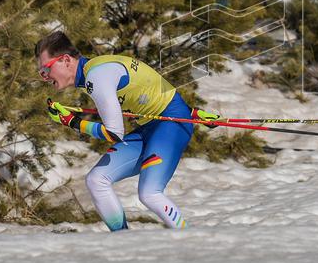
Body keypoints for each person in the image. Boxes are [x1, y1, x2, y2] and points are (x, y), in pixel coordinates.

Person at [35, 31, 217, 231]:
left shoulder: (96, 76)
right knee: (96, 180)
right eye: (41, 73)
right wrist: (191, 111)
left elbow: (114, 133)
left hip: (170, 124)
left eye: (46, 69)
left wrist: (71, 122)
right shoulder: (93, 70)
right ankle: (123, 240)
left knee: (149, 193)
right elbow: (146, 87)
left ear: (66, 60)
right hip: (153, 125)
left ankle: (190, 241)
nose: (45, 77)